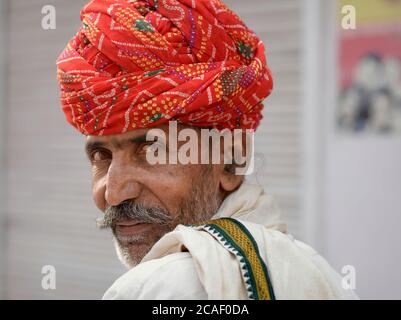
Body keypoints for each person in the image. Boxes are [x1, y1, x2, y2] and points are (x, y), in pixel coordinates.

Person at [57, 0, 357, 300]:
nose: (112, 193)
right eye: (100, 156)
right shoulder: (316, 273)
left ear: (230, 161)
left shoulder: (153, 289)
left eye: (152, 150)